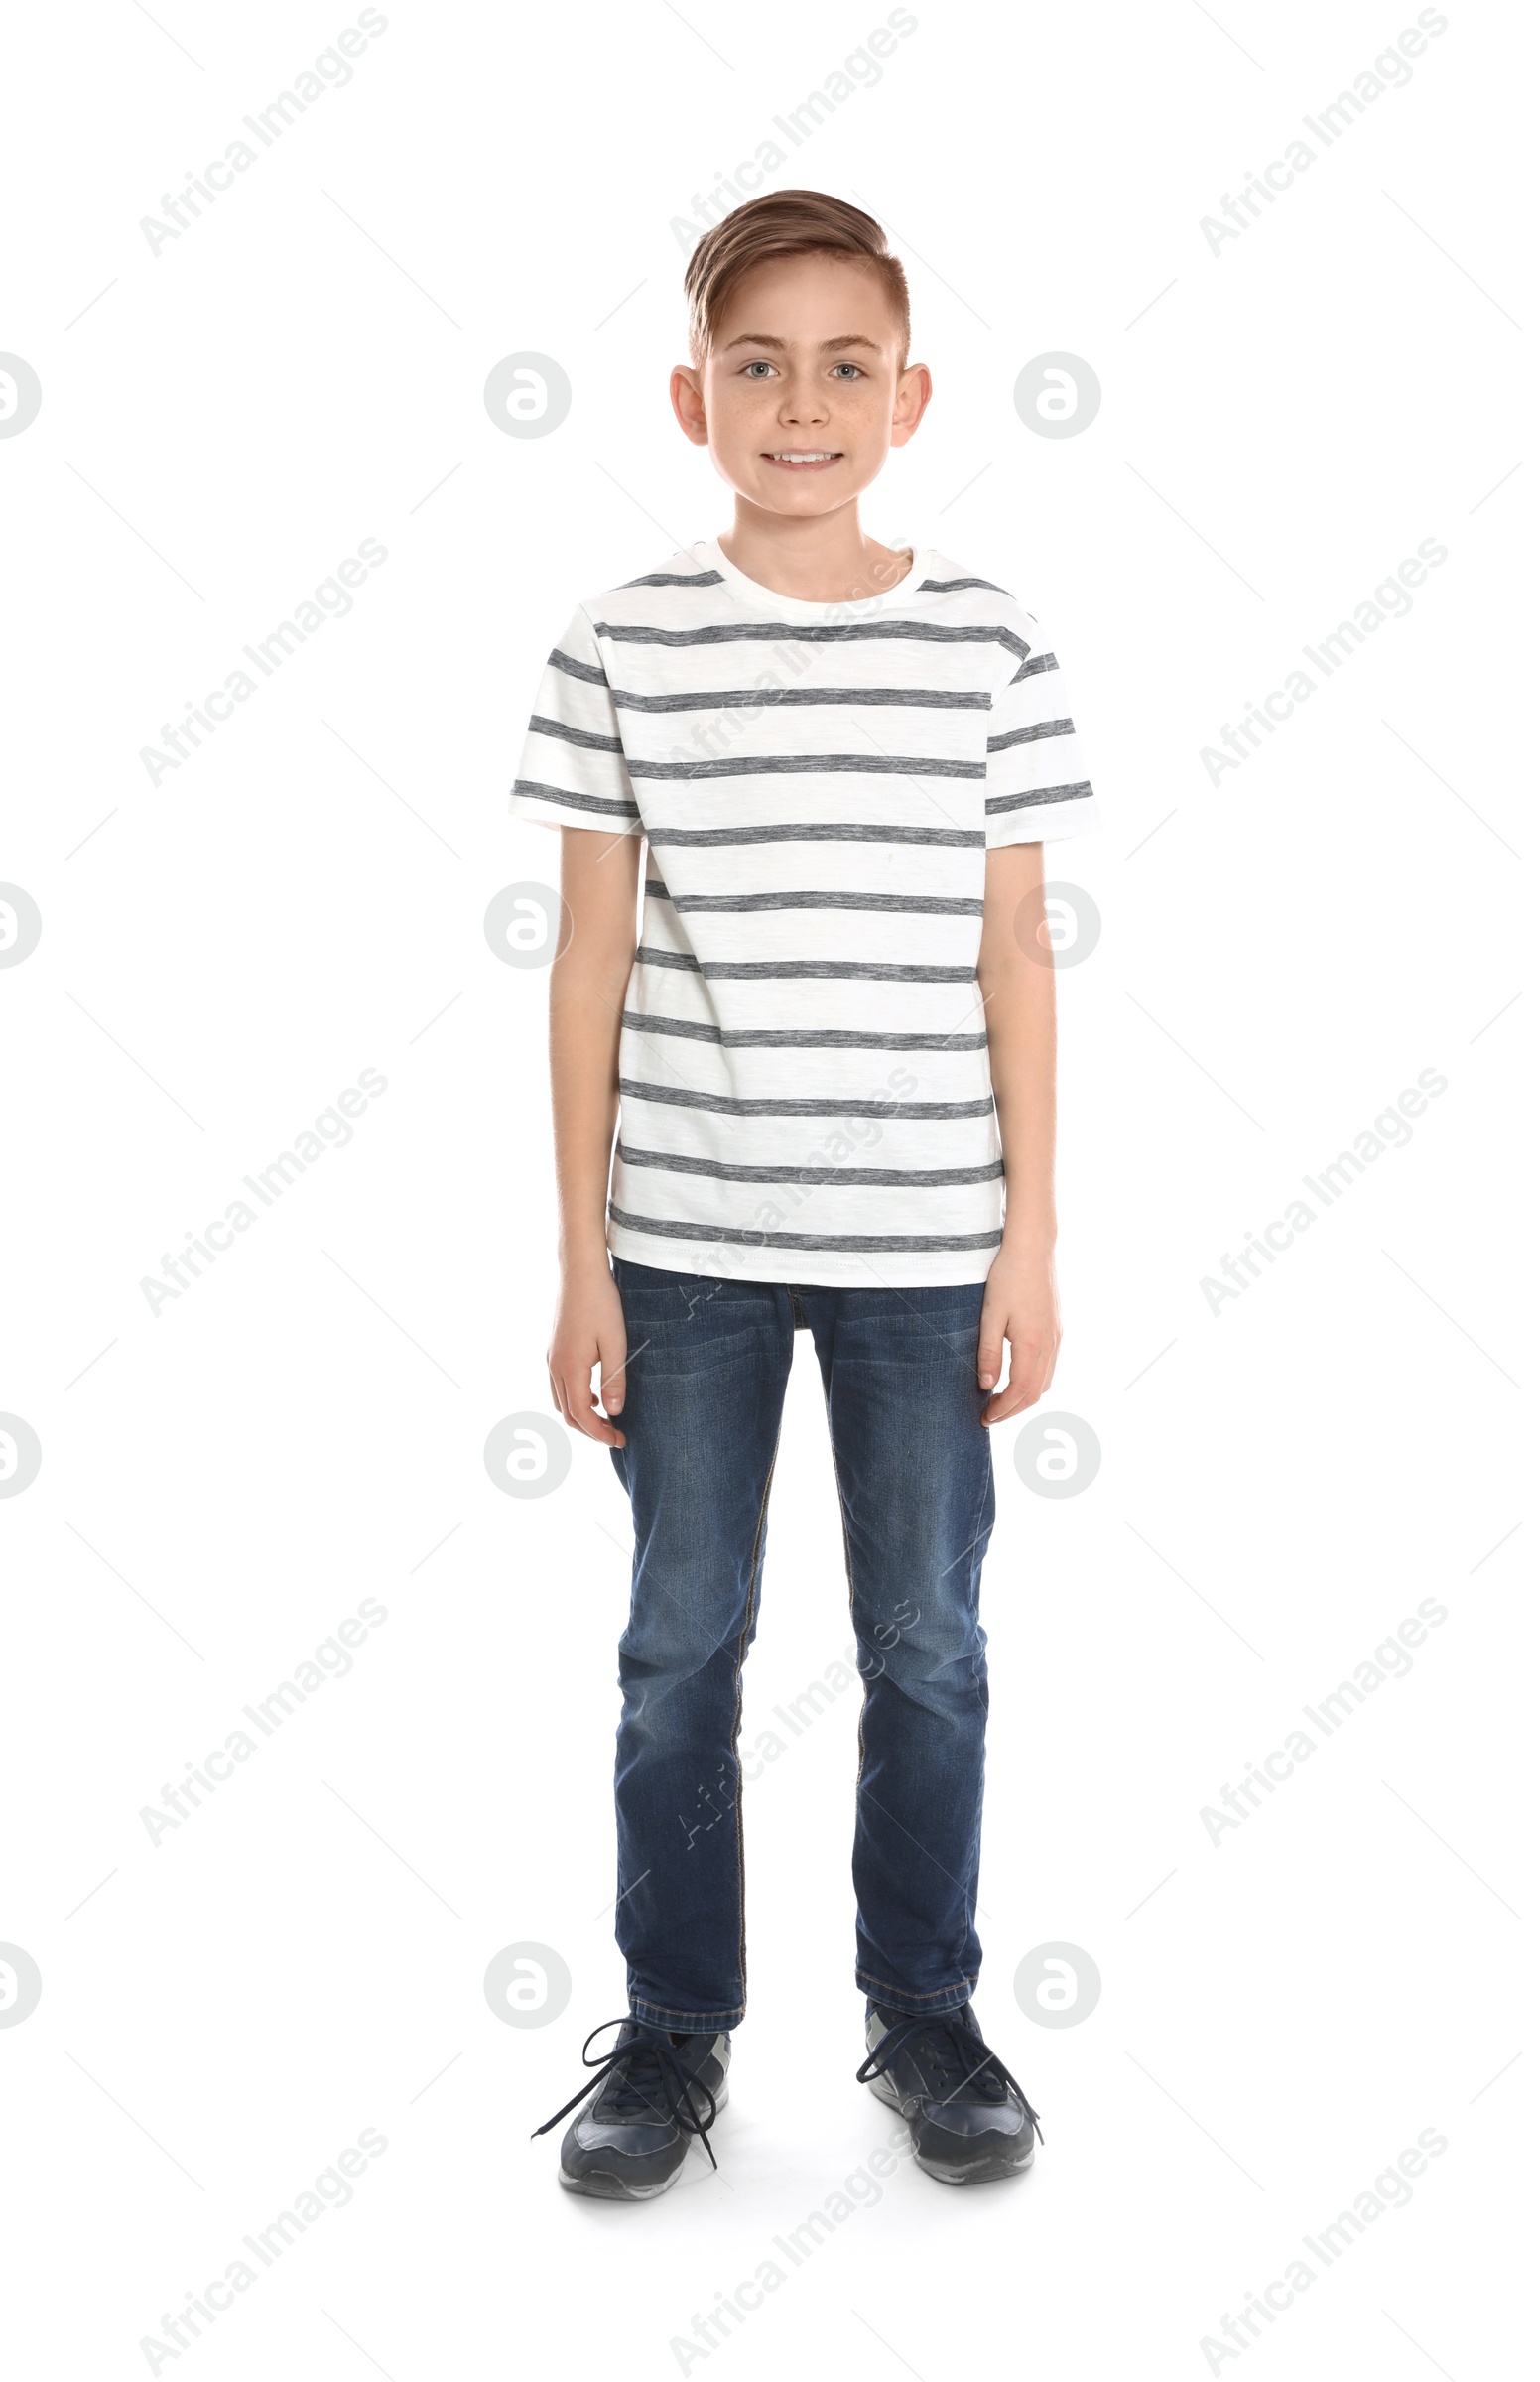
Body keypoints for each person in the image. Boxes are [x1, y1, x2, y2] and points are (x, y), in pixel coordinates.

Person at [512, 190, 1095, 2198]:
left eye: (845, 362)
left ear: (909, 394)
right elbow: (587, 961)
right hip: (679, 1245)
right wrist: (578, 1261)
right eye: (754, 362)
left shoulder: (989, 644)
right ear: (691, 397)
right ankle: (671, 2034)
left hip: (927, 1251)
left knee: (925, 1638)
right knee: (681, 1642)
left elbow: (1016, 953)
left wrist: (1029, 1238)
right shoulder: (619, 644)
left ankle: (919, 2010)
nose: (799, 401)